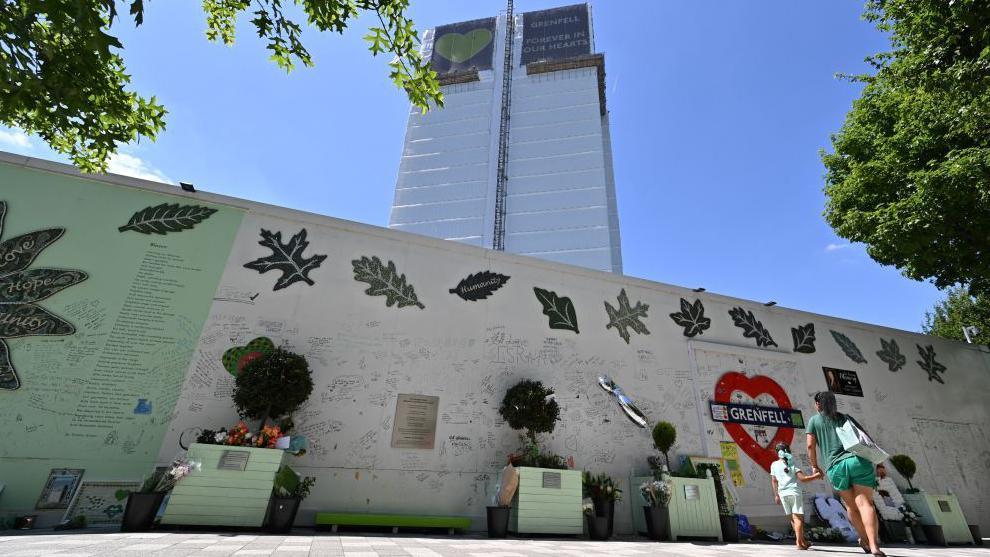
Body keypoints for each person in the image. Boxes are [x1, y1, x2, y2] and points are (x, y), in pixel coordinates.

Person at [806, 391, 885, 557]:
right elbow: (867, 438)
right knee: (866, 504)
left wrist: (815, 466)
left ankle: (863, 540)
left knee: (851, 506)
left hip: (836, 467)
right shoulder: (846, 417)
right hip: (858, 461)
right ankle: (874, 545)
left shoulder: (814, 420)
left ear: (818, 405)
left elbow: (810, 446)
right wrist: (880, 463)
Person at [770, 442, 822, 550]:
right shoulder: (792, 464)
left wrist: (776, 495)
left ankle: (802, 541)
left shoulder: (774, 465)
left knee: (793, 519)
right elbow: (803, 479)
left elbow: (774, 481)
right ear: (788, 451)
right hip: (794, 493)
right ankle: (799, 542)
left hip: (782, 494)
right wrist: (816, 476)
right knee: (798, 518)